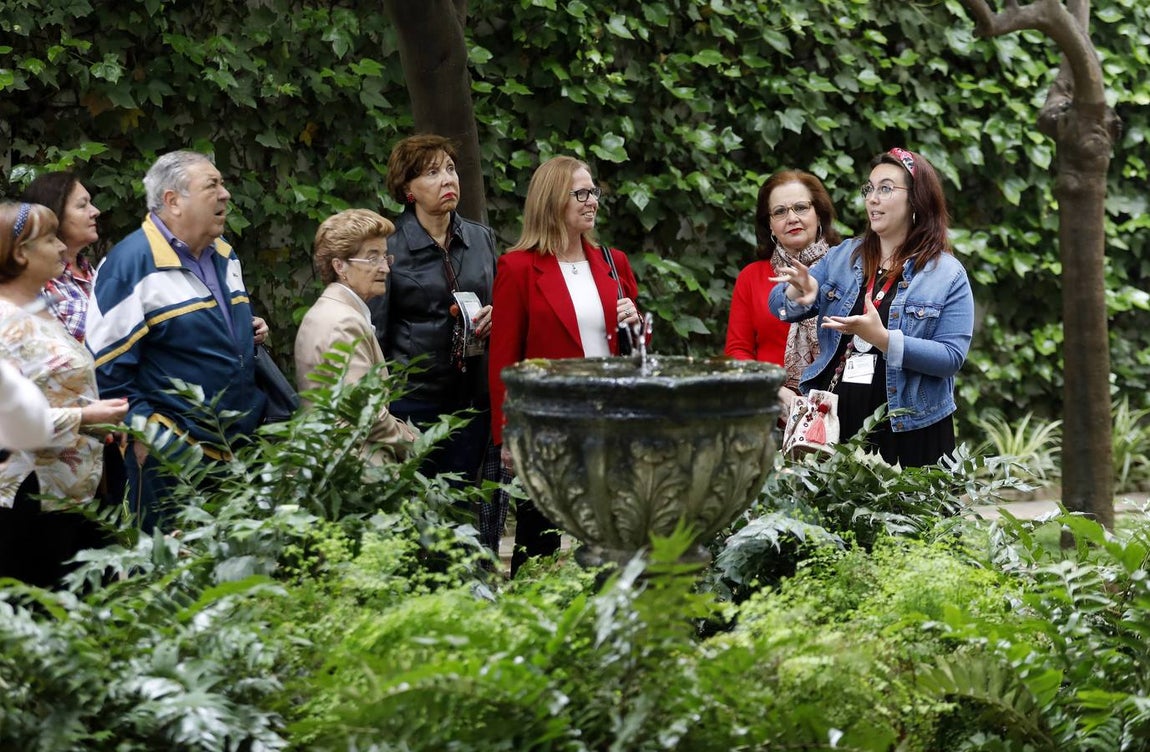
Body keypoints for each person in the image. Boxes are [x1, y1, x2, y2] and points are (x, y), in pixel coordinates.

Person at [86, 151, 270, 532]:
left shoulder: (224, 254)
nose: (226, 195)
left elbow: (210, 332)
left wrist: (244, 333)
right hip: (170, 457)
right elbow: (106, 369)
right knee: (174, 563)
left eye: (222, 184)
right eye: (212, 186)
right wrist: (149, 438)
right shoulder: (129, 265)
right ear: (173, 201)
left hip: (240, 448)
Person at [769, 148, 974, 468]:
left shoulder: (947, 274)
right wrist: (801, 289)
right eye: (869, 188)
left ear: (916, 199)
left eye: (886, 188)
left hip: (911, 431)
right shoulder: (843, 257)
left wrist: (883, 339)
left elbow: (950, 358)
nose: (873, 199)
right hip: (839, 428)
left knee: (913, 504)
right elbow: (778, 306)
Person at [489, 155, 642, 576]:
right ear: (552, 200)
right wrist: (508, 434)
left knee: (612, 535)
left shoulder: (613, 262)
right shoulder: (518, 268)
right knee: (537, 542)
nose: (592, 201)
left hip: (609, 421)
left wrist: (634, 320)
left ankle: (610, 609)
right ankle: (531, 611)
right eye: (581, 193)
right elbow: (504, 358)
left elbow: (633, 349)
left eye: (594, 192)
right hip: (547, 426)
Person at [366, 135, 502, 549]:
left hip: (473, 398)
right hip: (415, 403)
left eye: (451, 169)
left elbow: (501, 303)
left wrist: (497, 315)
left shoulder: (480, 238)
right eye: (432, 172)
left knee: (464, 507)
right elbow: (376, 332)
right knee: (418, 515)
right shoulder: (389, 249)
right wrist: (382, 407)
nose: (448, 179)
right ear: (408, 189)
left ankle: (468, 581)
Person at [0, 201, 129, 587]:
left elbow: (49, 389)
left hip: (72, 499)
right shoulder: (5, 321)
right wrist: (86, 418)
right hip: (28, 501)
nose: (61, 247)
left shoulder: (43, 310)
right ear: (20, 252)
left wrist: (96, 417)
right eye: (51, 239)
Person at [294, 209, 418, 461]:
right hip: (352, 466)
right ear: (339, 266)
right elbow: (365, 411)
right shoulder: (344, 322)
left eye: (385, 256)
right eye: (372, 258)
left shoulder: (331, 310)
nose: (385, 268)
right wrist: (411, 441)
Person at [726, 169, 842, 409]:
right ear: (769, 224)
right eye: (780, 212)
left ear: (819, 214)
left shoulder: (848, 268)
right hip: (770, 411)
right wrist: (775, 392)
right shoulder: (751, 277)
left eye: (800, 207)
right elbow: (738, 352)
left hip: (840, 409)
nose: (792, 218)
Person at [19, 171, 102, 343]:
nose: (95, 211)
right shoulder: (36, 282)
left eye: (91, 203)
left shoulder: (92, 272)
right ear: (54, 214)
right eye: (82, 205)